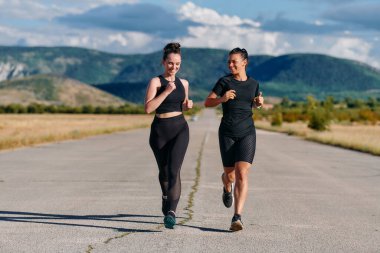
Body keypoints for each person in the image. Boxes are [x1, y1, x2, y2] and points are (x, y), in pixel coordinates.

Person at [204, 47, 264, 231]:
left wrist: (258, 103)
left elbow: (253, 102)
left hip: (247, 132)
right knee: (230, 175)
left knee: (242, 173)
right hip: (227, 133)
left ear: (244, 62)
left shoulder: (254, 84)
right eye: (229, 61)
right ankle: (226, 186)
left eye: (234, 61)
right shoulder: (224, 82)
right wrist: (222, 99)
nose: (230, 65)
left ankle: (237, 217)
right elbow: (207, 102)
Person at [144, 42, 193, 229]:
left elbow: (181, 106)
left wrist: (187, 107)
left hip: (180, 129)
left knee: (174, 171)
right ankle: (166, 196)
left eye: (178, 64)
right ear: (163, 62)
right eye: (171, 63)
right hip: (159, 132)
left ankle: (172, 212)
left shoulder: (184, 83)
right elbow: (149, 108)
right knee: (164, 173)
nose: (174, 67)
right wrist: (166, 91)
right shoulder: (156, 82)